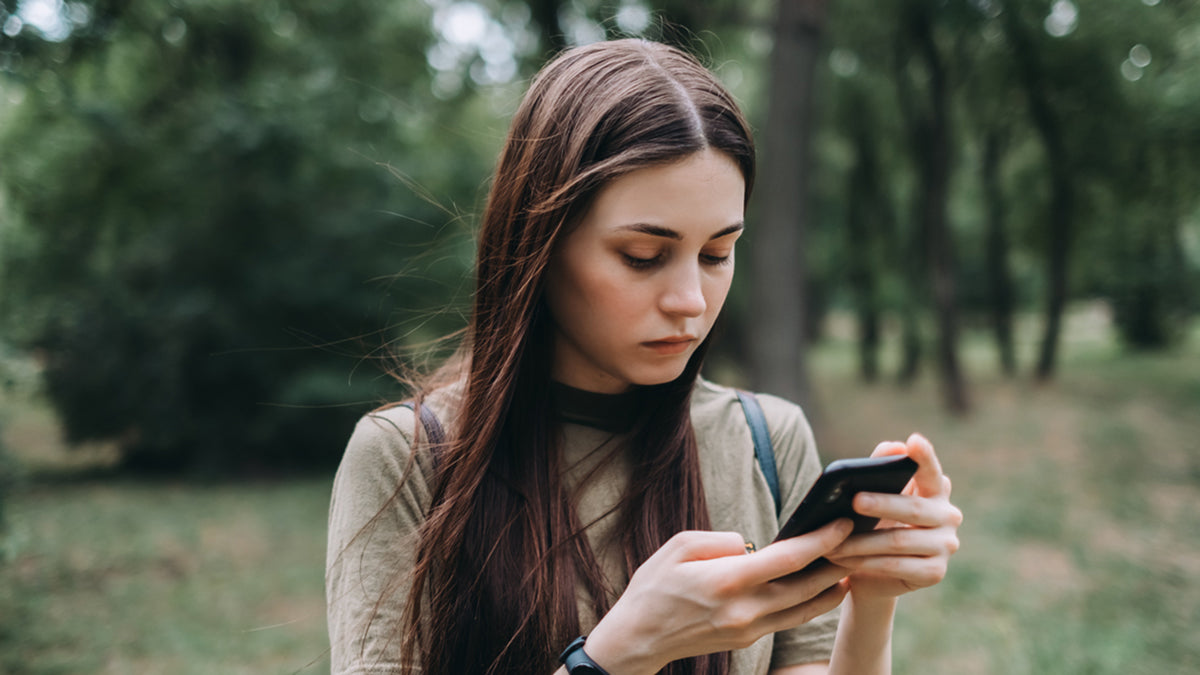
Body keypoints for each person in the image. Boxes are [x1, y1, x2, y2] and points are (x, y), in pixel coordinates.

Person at [325, 38, 962, 675]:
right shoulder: (409, 459)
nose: (690, 300)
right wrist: (615, 657)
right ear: (538, 246)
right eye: (643, 257)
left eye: (717, 254)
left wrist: (872, 600)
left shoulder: (765, 441)